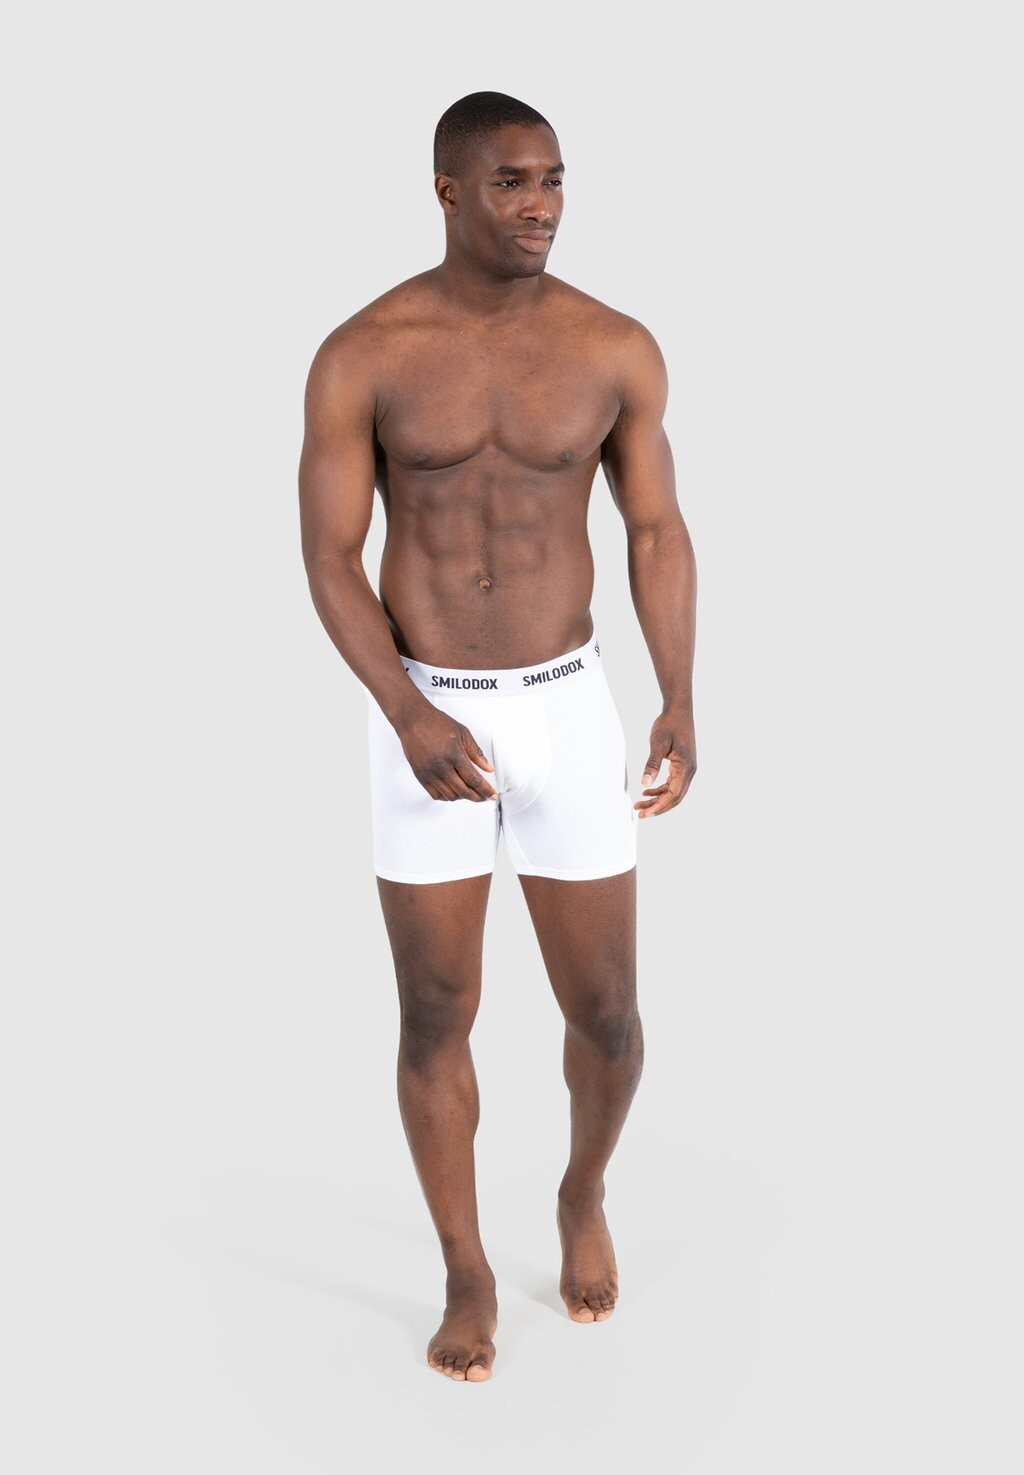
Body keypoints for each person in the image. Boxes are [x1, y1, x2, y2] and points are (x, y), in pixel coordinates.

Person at [298, 91, 697, 1382]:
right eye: (514, 182)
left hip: (568, 704)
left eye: (555, 180)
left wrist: (678, 694)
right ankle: (466, 1272)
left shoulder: (613, 345)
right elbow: (328, 552)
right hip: (424, 714)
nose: (541, 206)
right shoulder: (364, 352)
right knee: (433, 1008)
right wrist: (406, 709)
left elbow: (654, 529)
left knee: (610, 1013)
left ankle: (582, 1193)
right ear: (448, 191)